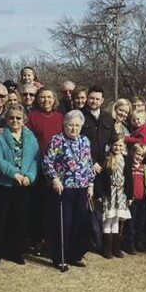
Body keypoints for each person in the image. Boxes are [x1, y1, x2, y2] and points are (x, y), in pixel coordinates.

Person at [42, 110, 95, 270]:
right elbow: (47, 162)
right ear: (64, 125)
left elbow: (89, 163)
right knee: (63, 223)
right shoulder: (57, 140)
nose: (74, 128)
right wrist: (54, 179)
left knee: (78, 222)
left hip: (82, 187)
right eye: (70, 125)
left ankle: (74, 255)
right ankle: (60, 257)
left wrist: (91, 184)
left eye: (77, 125)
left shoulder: (85, 140)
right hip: (63, 188)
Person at [0, 104, 40, 266]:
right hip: (2, 184)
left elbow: (35, 159)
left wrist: (30, 176)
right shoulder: (0, 136)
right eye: (11, 117)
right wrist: (14, 173)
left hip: (23, 185)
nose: (15, 120)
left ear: (24, 119)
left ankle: (15, 252)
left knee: (19, 220)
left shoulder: (31, 137)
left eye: (18, 118)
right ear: (6, 119)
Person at [26, 87, 63, 256]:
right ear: (37, 100)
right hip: (39, 165)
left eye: (49, 97)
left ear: (54, 99)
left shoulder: (59, 117)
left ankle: (51, 240)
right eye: (42, 97)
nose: (46, 100)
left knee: (53, 205)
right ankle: (37, 240)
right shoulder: (32, 117)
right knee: (38, 205)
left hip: (57, 168)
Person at [81, 86, 117, 251]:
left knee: (102, 205)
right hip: (86, 168)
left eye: (97, 99)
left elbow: (112, 142)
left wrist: (102, 163)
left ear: (102, 101)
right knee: (88, 205)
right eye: (91, 98)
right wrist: (92, 162)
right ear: (87, 98)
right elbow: (78, 142)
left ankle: (103, 242)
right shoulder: (80, 115)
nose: (94, 101)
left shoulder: (108, 118)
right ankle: (89, 241)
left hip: (104, 169)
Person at [98, 135, 132, 259]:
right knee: (108, 219)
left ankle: (116, 248)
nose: (117, 147)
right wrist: (100, 193)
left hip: (121, 193)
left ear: (124, 147)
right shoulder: (106, 158)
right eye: (115, 145)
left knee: (116, 219)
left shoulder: (126, 159)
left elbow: (129, 177)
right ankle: (106, 248)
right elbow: (101, 178)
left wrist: (130, 194)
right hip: (109, 192)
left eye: (120, 145)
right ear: (111, 145)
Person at [123, 143, 146, 253]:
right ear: (132, 153)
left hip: (142, 200)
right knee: (130, 223)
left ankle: (139, 242)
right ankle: (128, 244)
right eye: (137, 154)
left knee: (140, 222)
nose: (139, 157)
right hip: (132, 199)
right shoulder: (128, 167)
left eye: (142, 156)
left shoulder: (145, 168)